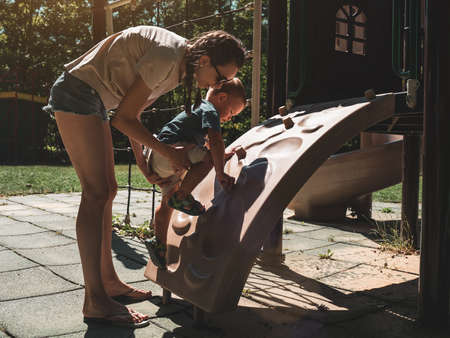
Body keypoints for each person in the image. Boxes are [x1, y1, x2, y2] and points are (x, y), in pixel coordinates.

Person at [43, 25, 246, 328]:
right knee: (96, 192)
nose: (218, 85)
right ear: (204, 60)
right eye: (220, 77)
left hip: (94, 98)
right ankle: (95, 301)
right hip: (78, 92)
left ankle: (108, 283)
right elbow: (122, 118)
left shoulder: (179, 68)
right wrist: (169, 152)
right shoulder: (168, 57)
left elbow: (130, 114)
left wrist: (141, 161)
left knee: (107, 190)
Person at [143, 78, 246, 269]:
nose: (230, 118)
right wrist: (220, 173)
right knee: (207, 159)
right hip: (169, 152)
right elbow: (214, 142)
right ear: (222, 98)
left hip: (156, 156)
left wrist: (223, 155)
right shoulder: (210, 109)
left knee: (166, 205)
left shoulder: (198, 110)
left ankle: (159, 246)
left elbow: (206, 145)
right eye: (232, 112)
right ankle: (183, 196)